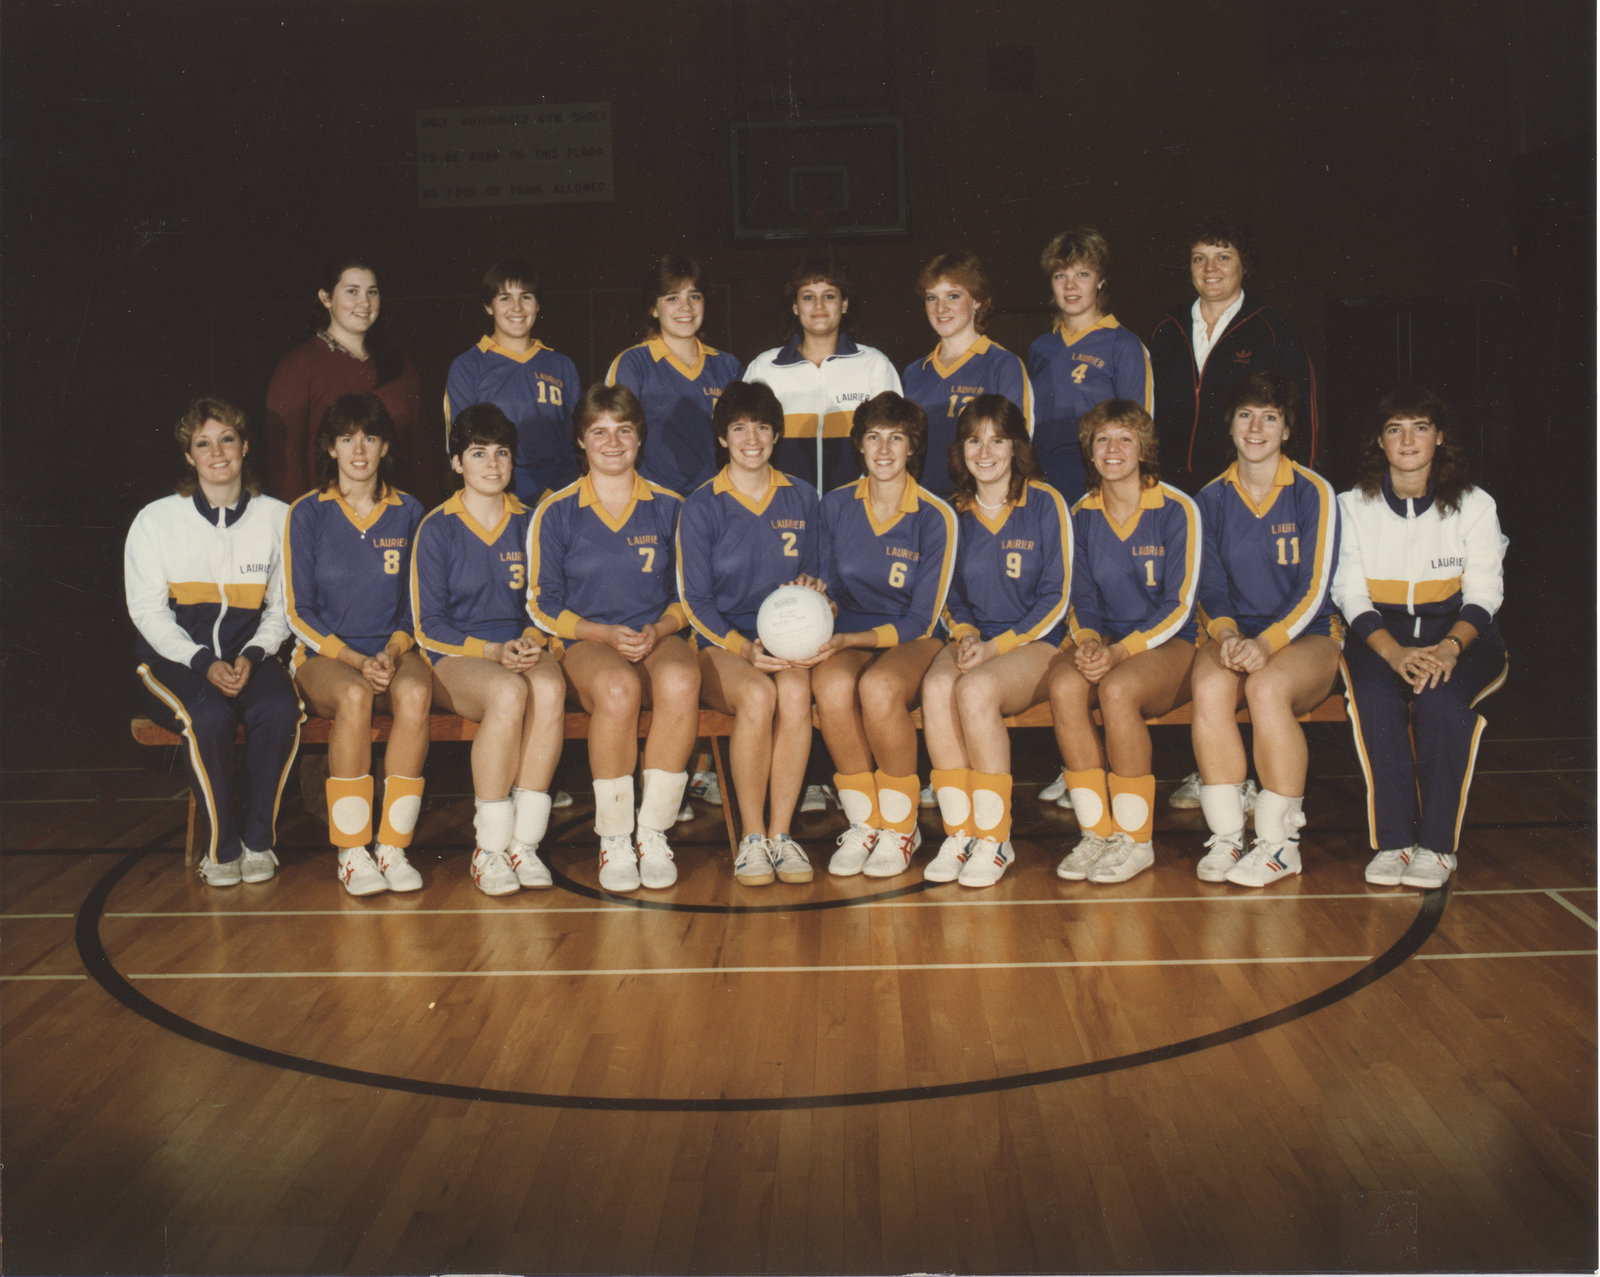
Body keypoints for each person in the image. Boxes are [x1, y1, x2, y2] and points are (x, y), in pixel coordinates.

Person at [1332, 388, 1508, 889]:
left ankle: (1436, 846)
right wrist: (1392, 653)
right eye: (1395, 429)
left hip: (1460, 635)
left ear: (1440, 437)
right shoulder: (1351, 506)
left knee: (1441, 704)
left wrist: (1449, 647)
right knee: (1374, 700)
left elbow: (1486, 589)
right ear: (1380, 442)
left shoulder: (1475, 504)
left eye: (1420, 427)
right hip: (1378, 636)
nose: (1408, 439)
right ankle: (1394, 842)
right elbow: (1349, 591)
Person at [527, 384, 701, 892]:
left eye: (623, 430)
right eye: (599, 432)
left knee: (681, 679)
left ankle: (653, 831)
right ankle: (616, 836)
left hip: (655, 632)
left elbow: (689, 595)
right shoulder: (556, 510)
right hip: (586, 640)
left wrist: (659, 629)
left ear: (639, 438)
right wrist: (600, 632)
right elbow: (541, 603)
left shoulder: (670, 507)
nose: (612, 442)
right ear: (581, 441)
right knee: (618, 690)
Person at [126, 397, 301, 886]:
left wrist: (251, 655)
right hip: (176, 661)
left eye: (227, 439)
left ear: (245, 447)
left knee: (282, 710)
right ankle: (222, 849)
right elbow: (147, 612)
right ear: (189, 456)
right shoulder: (156, 521)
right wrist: (202, 661)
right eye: (203, 443)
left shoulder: (279, 517)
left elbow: (282, 609)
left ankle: (258, 842)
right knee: (209, 715)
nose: (217, 452)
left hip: (252, 657)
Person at [1190, 371, 1340, 887]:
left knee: (1267, 686)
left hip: (1307, 634)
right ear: (1230, 427)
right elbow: (1207, 589)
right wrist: (1229, 636)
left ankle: (1278, 844)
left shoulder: (1313, 492)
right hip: (1238, 635)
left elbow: (1316, 587)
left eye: (1270, 417)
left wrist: (1266, 643)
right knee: (1209, 686)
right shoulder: (1209, 500)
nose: (1256, 428)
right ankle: (1230, 834)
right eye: (1245, 416)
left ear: (1287, 429)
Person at [413, 403, 566, 897]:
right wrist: (492, 650)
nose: (493, 464)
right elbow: (427, 625)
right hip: (456, 656)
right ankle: (490, 848)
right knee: (506, 694)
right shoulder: (438, 527)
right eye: (478, 453)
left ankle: (524, 844)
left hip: (520, 646)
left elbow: (546, 602)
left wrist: (531, 641)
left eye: (501, 453)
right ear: (457, 463)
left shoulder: (531, 521)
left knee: (547, 684)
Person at [919, 394, 1072, 888]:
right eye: (973, 440)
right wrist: (965, 635)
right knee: (936, 689)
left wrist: (996, 648)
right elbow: (945, 594)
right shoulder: (951, 511)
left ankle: (994, 836)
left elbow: (1058, 596)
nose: (985, 452)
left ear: (1016, 447)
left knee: (975, 690)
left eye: (997, 440)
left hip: (1035, 644)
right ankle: (960, 831)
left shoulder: (1045, 502)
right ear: (960, 448)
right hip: (971, 639)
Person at [1048, 399, 1200, 885]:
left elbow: (1180, 605)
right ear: (1089, 451)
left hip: (1169, 643)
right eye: (1102, 440)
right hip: (1107, 640)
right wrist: (1090, 640)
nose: (1112, 449)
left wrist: (1118, 653)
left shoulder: (1177, 509)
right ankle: (1097, 833)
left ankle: (1136, 840)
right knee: (1065, 687)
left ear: (1144, 449)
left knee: (1116, 691)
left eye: (1125, 439)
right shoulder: (1081, 514)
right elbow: (1079, 596)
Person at [284, 393, 431, 896]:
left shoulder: (409, 510)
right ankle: (352, 851)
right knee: (353, 696)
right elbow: (297, 611)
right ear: (331, 448)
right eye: (347, 438)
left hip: (392, 650)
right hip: (326, 657)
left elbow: (416, 605)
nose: (359, 449)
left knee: (414, 694)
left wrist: (389, 654)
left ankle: (392, 846)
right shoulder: (307, 513)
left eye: (369, 437)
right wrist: (353, 659)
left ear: (384, 444)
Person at [677, 381, 820, 886]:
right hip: (723, 645)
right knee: (759, 696)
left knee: (798, 692)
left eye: (762, 426)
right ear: (723, 438)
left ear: (777, 434)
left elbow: (820, 575)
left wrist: (814, 588)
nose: (751, 437)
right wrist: (743, 648)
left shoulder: (802, 496)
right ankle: (753, 838)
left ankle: (783, 835)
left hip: (788, 640)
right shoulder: (701, 506)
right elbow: (695, 602)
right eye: (739, 427)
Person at [811, 392, 957, 878]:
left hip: (913, 638)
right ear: (859, 445)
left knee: (878, 689)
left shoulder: (934, 515)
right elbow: (828, 587)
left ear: (914, 446)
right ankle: (864, 822)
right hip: (848, 630)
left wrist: (852, 642)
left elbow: (922, 617)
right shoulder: (834, 506)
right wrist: (816, 602)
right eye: (873, 437)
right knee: (830, 686)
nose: (885, 449)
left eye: (897, 437)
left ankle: (901, 826)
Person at [1149, 215, 1318, 497]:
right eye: (1199, 259)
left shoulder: (1273, 329)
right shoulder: (1166, 330)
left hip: (1244, 489)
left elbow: (1303, 414)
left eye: (1223, 257)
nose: (1209, 269)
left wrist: (1301, 491)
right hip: (1171, 489)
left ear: (1244, 265)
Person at [264, 254, 425, 503]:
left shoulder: (401, 367)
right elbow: (283, 461)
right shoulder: (297, 367)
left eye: (372, 292)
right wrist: (299, 523)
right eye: (352, 291)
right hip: (327, 519)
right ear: (326, 298)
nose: (365, 303)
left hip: (393, 518)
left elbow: (420, 454)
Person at [746, 250, 902, 494]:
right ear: (795, 306)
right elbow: (745, 445)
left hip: (856, 507)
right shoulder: (764, 369)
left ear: (845, 304)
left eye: (829, 296)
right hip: (783, 507)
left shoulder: (874, 365)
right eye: (808, 297)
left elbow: (895, 443)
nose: (819, 306)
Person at [1026, 228, 1152, 508]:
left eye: (1082, 274)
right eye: (1061, 276)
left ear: (1101, 280)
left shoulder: (1124, 344)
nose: (1070, 286)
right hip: (1043, 481)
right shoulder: (1040, 348)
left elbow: (1138, 430)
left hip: (1097, 482)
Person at [444, 259, 582, 506]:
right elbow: (462, 446)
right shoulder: (468, 367)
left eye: (526, 297)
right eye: (505, 298)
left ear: (537, 304)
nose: (517, 308)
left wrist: (554, 492)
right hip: (495, 497)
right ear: (489, 306)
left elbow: (577, 442)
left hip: (557, 495)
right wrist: (505, 496)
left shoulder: (562, 366)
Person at [606, 252, 744, 499]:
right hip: (654, 503)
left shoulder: (727, 366)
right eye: (672, 298)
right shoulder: (633, 364)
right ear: (654, 309)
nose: (686, 307)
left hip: (715, 503)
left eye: (695, 296)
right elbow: (613, 441)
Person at [901, 251, 1031, 499]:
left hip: (977, 506)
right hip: (923, 506)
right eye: (932, 298)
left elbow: (1018, 448)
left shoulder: (1003, 365)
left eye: (953, 295)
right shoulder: (914, 372)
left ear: (977, 301)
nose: (941, 308)